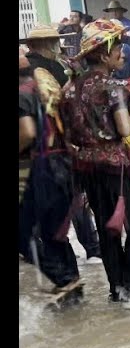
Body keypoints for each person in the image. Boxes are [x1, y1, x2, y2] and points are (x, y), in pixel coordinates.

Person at [59, 20, 130, 302]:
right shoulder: (113, 87)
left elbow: (67, 132)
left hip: (87, 167)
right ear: (102, 55)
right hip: (116, 166)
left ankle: (117, 288)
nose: (122, 53)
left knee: (106, 228)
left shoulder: (70, 89)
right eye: (117, 49)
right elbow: (124, 128)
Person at [20, 24, 101, 263]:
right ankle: (90, 248)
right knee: (73, 201)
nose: (54, 46)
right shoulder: (57, 67)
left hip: (38, 151)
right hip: (59, 145)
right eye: (51, 42)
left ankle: (41, 255)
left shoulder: (35, 69)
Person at [19, 51, 82, 298]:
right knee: (56, 232)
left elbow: (27, 133)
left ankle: (64, 279)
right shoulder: (44, 89)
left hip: (41, 169)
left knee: (25, 233)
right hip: (63, 164)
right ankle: (73, 285)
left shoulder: (21, 95)